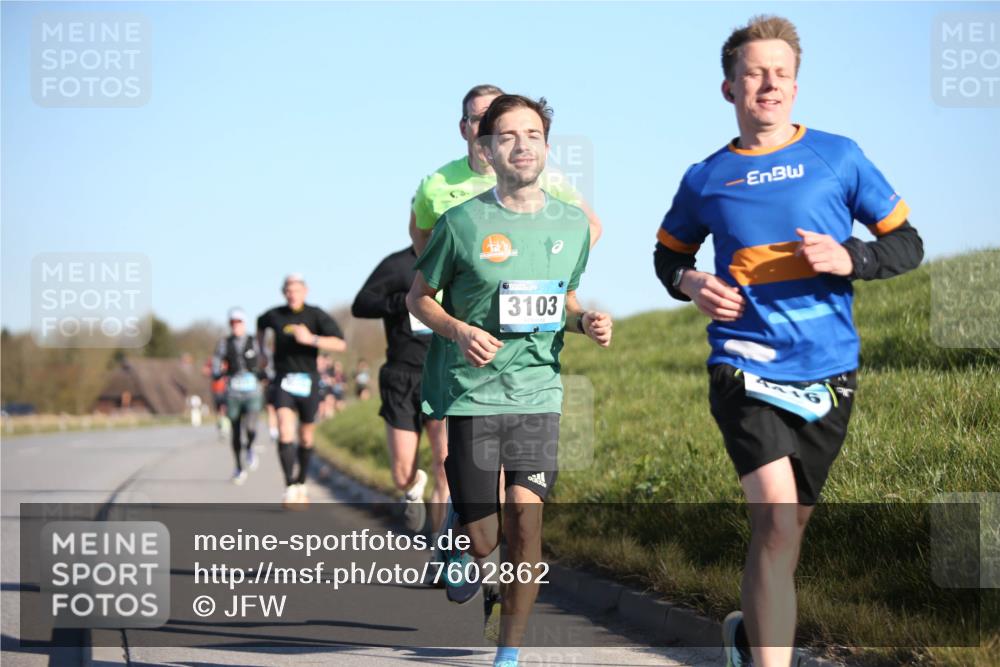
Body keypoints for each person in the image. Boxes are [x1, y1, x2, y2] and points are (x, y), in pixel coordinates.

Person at [653, 15, 924, 667]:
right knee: (775, 519)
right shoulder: (706, 177)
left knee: (787, 535)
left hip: (829, 370)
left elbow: (907, 243)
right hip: (742, 365)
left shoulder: (839, 156)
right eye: (754, 73)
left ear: (796, 86)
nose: (768, 83)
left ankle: (751, 634)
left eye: (781, 73)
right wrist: (691, 282)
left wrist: (852, 257)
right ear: (730, 88)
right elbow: (667, 256)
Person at [407, 94, 612, 667]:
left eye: (533, 135)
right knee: (484, 540)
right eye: (507, 136)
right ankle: (460, 524)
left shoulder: (572, 225)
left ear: (546, 146)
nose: (522, 145)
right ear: (486, 150)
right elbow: (418, 299)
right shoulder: (461, 223)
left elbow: (563, 299)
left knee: (526, 522)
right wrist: (458, 331)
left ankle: (510, 653)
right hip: (473, 394)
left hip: (537, 391)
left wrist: (584, 319)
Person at [408, 84, 603, 256]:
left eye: (494, 118)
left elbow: (592, 225)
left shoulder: (546, 178)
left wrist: (563, 265)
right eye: (478, 119)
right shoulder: (436, 184)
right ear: (463, 128)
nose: (487, 127)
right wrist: (441, 284)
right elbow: (419, 233)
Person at [352, 246, 450, 538]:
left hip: (443, 372)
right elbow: (362, 304)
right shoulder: (397, 265)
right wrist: (408, 301)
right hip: (401, 376)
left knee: (446, 466)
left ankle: (440, 549)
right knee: (401, 474)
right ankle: (412, 487)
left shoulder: (456, 257)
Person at [257, 274, 347, 508]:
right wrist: (262, 353)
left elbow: (340, 343)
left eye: (296, 290)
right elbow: (260, 323)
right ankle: (290, 486)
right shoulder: (274, 315)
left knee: (306, 436)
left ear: (305, 291)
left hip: (309, 381)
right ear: (283, 292)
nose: (292, 294)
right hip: (284, 380)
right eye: (288, 290)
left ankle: (301, 481)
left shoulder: (315, 315)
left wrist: (312, 339)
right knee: (285, 432)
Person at [211, 308, 265, 484]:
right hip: (233, 391)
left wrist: (265, 372)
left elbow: (265, 357)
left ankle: (250, 447)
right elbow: (217, 360)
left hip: (252, 390)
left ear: (244, 323)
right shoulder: (224, 343)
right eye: (233, 323)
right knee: (235, 430)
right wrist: (216, 371)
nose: (236, 326)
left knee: (250, 426)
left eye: (239, 322)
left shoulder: (254, 341)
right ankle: (238, 467)